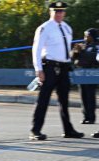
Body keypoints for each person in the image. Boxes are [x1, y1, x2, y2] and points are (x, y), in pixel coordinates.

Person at [30, 1, 84, 140]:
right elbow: (36, 49)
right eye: (56, 11)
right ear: (51, 12)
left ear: (64, 12)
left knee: (64, 100)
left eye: (61, 11)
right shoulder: (44, 28)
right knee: (43, 99)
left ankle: (68, 129)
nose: (59, 14)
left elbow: (63, 49)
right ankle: (35, 130)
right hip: (49, 67)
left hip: (64, 67)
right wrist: (38, 70)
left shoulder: (67, 28)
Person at [72, 28, 99, 124]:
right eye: (84, 35)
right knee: (83, 95)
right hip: (81, 72)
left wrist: (82, 52)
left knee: (90, 95)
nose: (85, 38)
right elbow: (74, 58)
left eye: (87, 35)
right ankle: (85, 116)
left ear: (92, 36)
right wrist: (75, 51)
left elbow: (92, 58)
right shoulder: (83, 46)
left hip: (91, 73)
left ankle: (91, 117)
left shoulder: (96, 46)